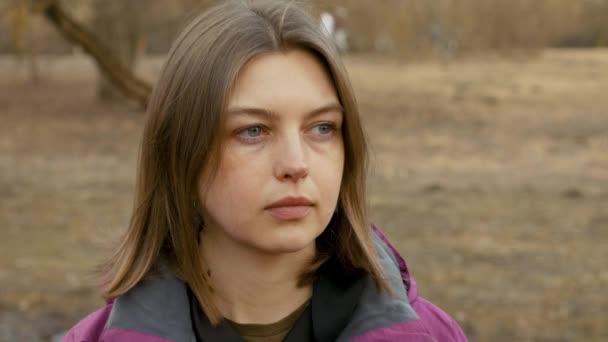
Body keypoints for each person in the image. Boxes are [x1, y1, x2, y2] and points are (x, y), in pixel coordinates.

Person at [62, 1, 467, 341]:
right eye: (253, 131)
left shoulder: (433, 335)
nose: (296, 164)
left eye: (322, 128)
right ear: (182, 151)